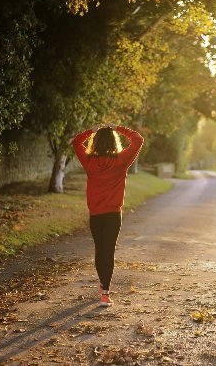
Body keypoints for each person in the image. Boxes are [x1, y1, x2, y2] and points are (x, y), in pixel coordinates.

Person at [71, 123, 144, 307]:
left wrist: (92, 130)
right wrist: (118, 128)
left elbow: (76, 142)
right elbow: (138, 139)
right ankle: (105, 293)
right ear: (114, 141)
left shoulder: (89, 162)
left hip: (95, 215)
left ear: (95, 142)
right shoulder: (121, 160)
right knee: (108, 250)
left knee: (99, 249)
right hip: (113, 215)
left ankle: (103, 285)